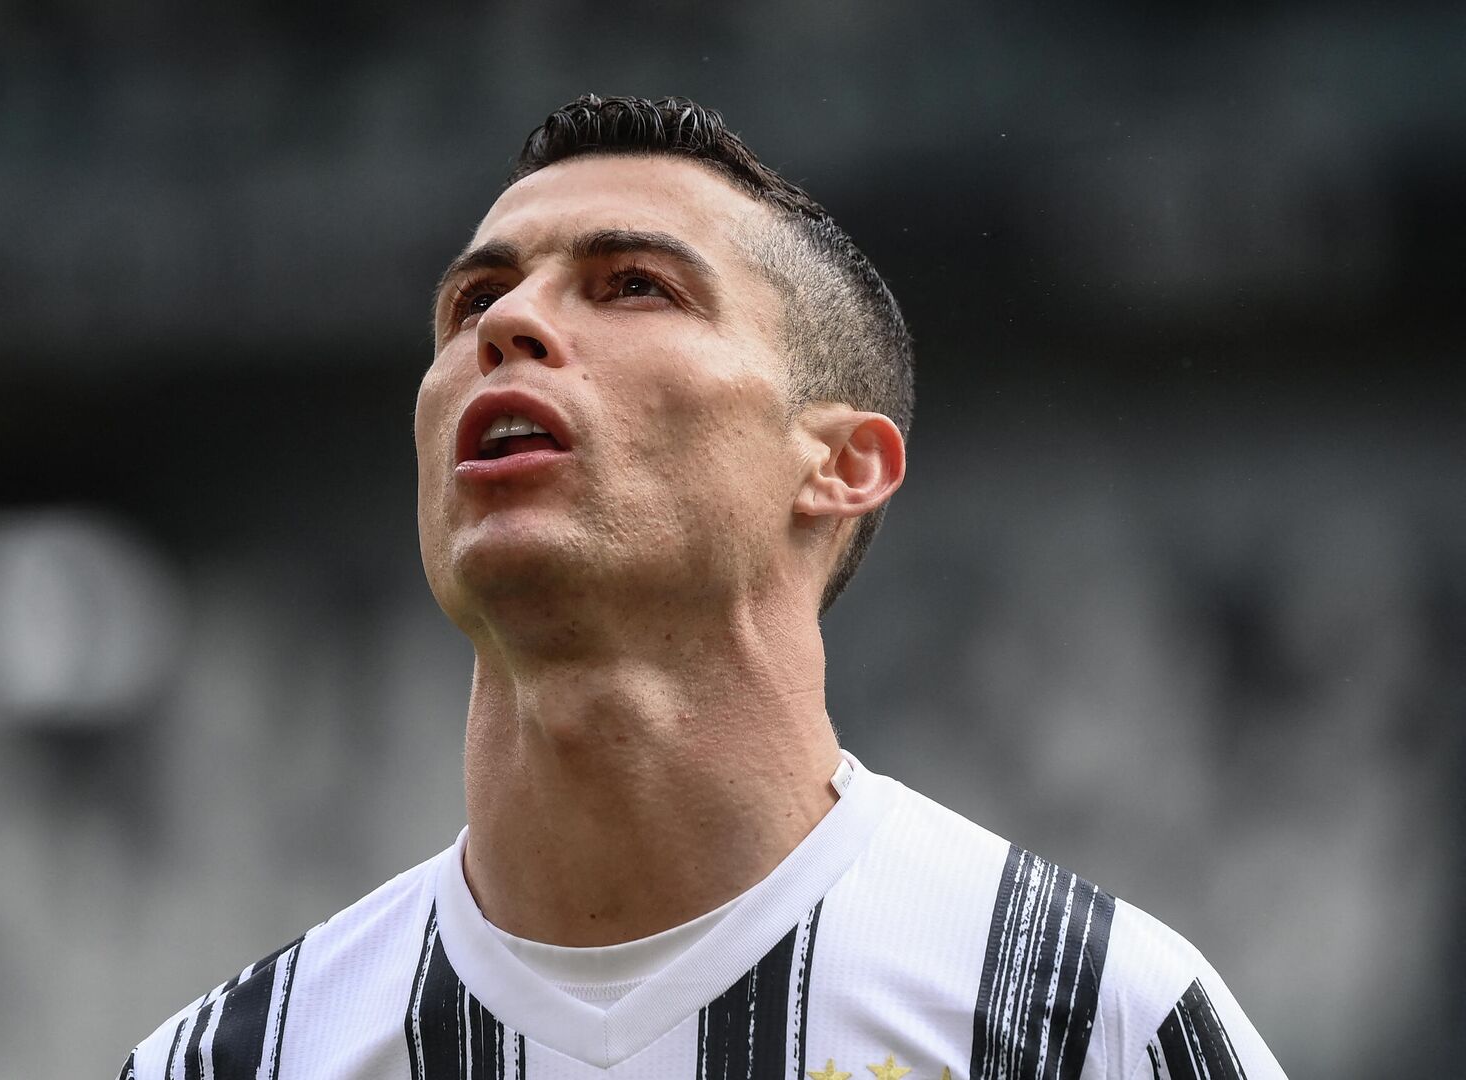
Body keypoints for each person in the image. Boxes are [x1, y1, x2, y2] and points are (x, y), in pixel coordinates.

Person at [117, 94, 1286, 1080]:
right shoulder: (231, 1060)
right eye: (475, 302)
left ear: (840, 465)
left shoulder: (1089, 1025)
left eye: (632, 286)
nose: (511, 324)